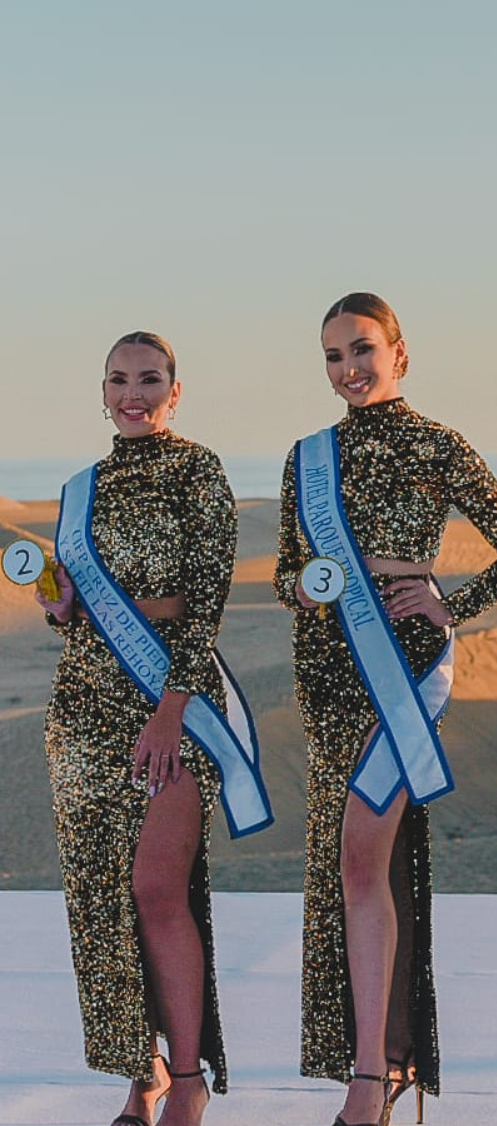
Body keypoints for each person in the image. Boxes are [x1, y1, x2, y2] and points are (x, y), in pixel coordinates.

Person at [275, 293, 497, 1126]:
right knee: (362, 869)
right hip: (329, 669)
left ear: (400, 352)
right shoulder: (306, 456)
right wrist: (308, 584)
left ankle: (372, 1075)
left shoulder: (435, 443)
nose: (349, 369)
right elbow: (287, 571)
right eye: (332, 356)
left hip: (405, 662)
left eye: (362, 349)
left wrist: (450, 606)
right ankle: (386, 1059)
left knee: (364, 858)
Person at [35, 333, 269, 1126]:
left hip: (174, 704)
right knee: (101, 900)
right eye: (118, 380)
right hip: (83, 709)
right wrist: (64, 611)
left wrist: (170, 706)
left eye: (149, 379)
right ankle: (144, 1070)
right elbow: (82, 617)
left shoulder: (198, 470)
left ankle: (192, 1077)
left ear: (176, 389)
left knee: (158, 889)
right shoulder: (81, 489)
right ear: (101, 390)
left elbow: (206, 603)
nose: (133, 392)